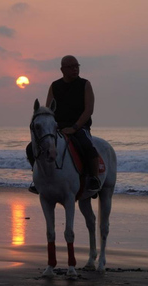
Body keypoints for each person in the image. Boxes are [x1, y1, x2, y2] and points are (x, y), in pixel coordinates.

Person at [27, 55, 101, 194]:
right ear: (62, 70)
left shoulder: (85, 84)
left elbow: (89, 110)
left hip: (79, 126)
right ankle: (37, 179)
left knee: (86, 146)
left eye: (76, 66)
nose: (75, 69)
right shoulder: (55, 86)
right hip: (58, 127)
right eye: (71, 67)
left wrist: (74, 127)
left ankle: (94, 178)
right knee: (31, 148)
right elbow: (49, 109)